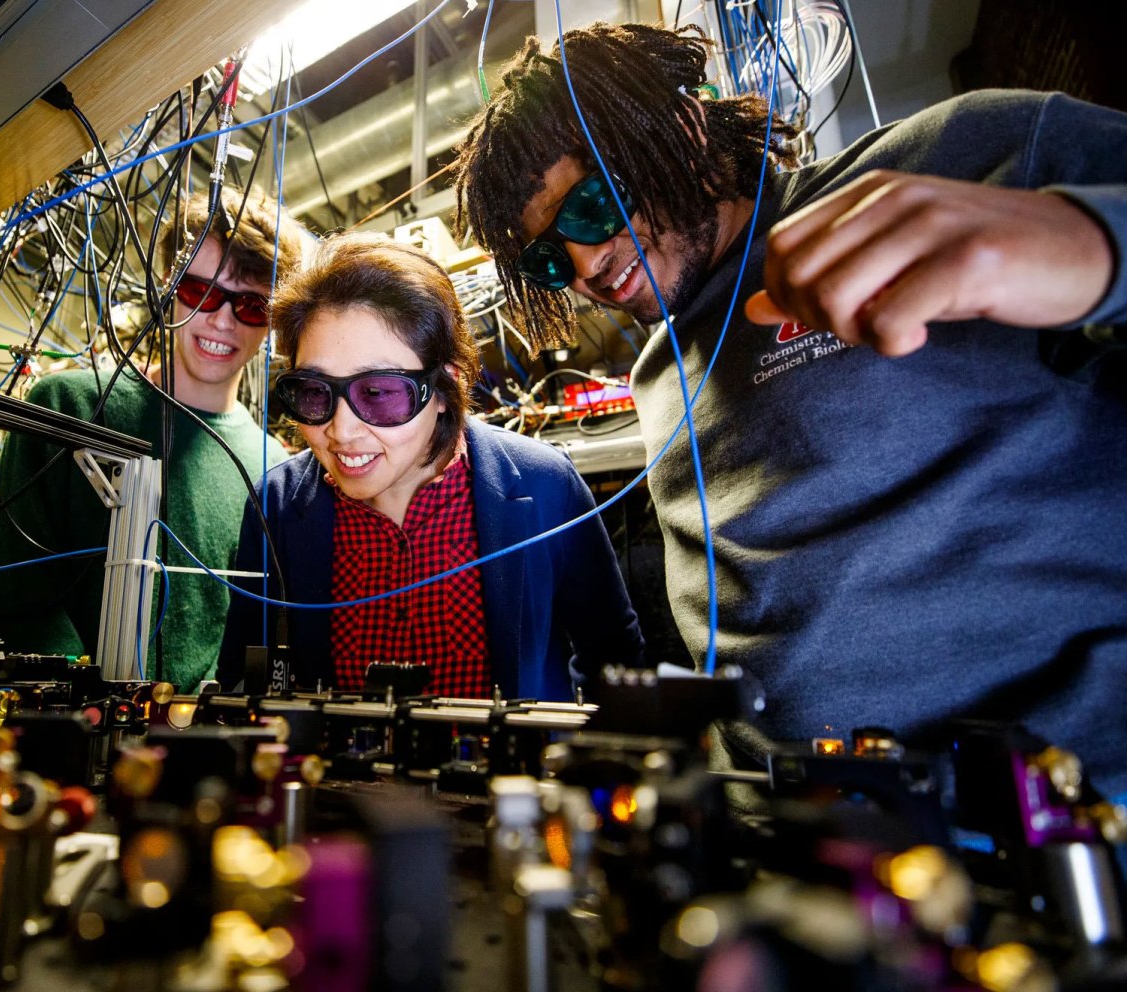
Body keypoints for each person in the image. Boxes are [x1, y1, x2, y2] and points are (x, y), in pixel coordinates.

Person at [453, 22, 1127, 802]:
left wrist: (1095, 244)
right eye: (546, 257)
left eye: (593, 205)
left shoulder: (947, 163)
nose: (584, 266)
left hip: (1059, 834)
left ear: (684, 126)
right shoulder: (657, 378)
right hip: (795, 857)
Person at [216, 234, 643, 699]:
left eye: (378, 393)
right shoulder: (276, 505)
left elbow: (614, 660)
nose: (341, 431)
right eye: (315, 392)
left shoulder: (547, 486)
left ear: (445, 387)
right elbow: (245, 673)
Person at [0, 187, 306, 691]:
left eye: (252, 306)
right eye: (201, 292)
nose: (222, 320)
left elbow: (250, 636)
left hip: (201, 745)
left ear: (274, 323)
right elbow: (14, 596)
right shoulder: (68, 406)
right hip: (62, 734)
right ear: (166, 287)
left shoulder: (272, 467)